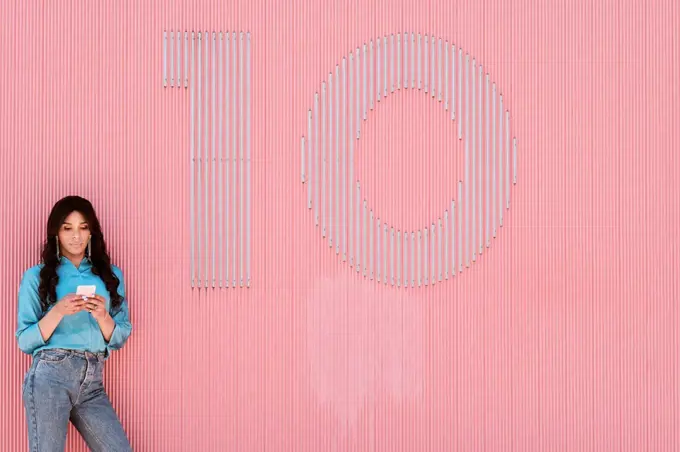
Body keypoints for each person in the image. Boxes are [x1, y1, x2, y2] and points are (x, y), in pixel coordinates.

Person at [16, 195, 133, 451]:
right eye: (67, 228)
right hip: (50, 377)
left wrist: (102, 316)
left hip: (92, 380)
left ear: (92, 233)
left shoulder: (111, 276)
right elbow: (24, 340)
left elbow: (121, 334)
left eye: (83, 227)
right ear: (56, 233)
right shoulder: (37, 276)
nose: (76, 236)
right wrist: (58, 311)